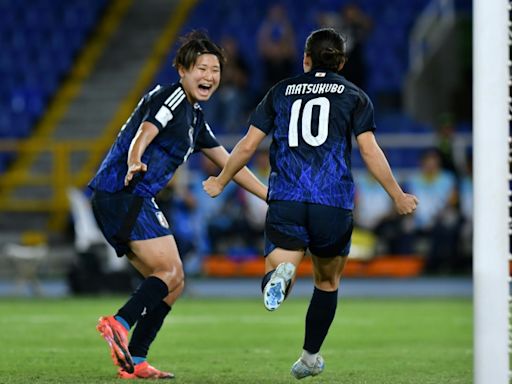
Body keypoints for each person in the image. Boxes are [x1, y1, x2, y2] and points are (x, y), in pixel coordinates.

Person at [203, 28, 418, 379]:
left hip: (286, 199)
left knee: (278, 268)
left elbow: (247, 145)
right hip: (331, 203)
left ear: (305, 59)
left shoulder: (280, 91)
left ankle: (282, 274)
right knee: (327, 283)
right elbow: (369, 150)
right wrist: (397, 194)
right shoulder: (354, 96)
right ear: (342, 63)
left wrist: (220, 179)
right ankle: (308, 357)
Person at [88, 31, 267, 379]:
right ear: (183, 71)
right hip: (123, 192)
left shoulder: (195, 118)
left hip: (132, 197)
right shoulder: (172, 97)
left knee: (175, 281)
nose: (210, 77)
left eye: (215, 70)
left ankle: (136, 359)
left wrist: (270, 197)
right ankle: (118, 323)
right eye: (201, 68)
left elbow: (230, 164)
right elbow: (145, 131)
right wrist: (135, 159)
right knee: (169, 273)